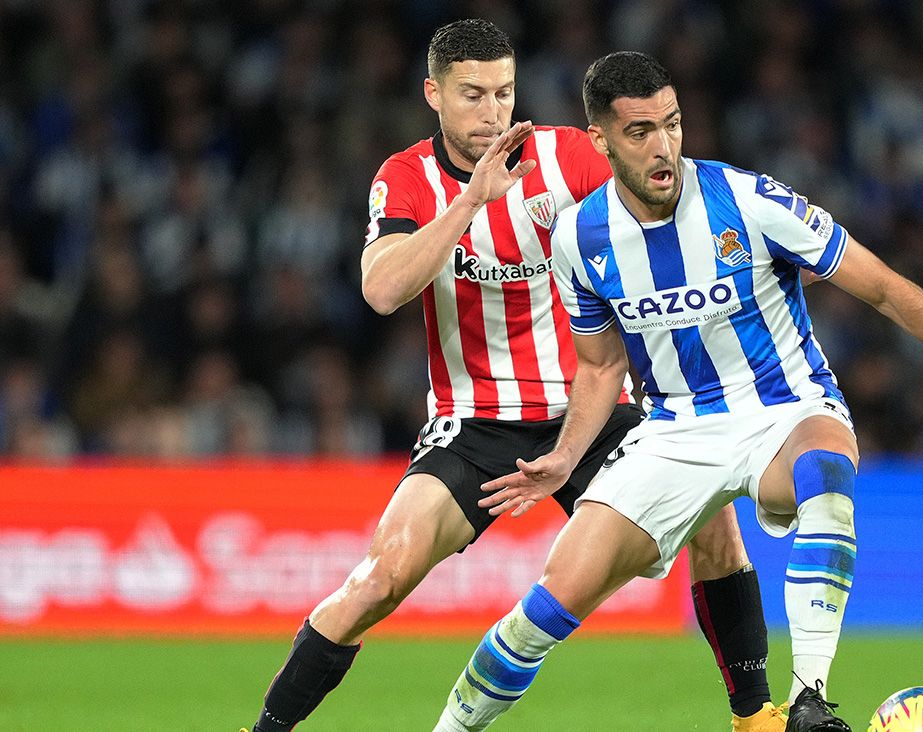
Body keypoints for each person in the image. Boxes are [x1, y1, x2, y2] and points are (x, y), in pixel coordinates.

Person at [431, 51, 923, 732]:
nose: (664, 145)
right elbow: (598, 366)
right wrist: (563, 455)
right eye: (640, 132)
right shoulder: (580, 238)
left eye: (672, 125)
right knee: (547, 607)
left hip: (784, 411)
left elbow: (883, 286)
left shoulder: (751, 201)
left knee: (827, 472)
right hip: (672, 432)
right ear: (601, 141)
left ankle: (810, 699)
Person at [244, 21, 785, 732]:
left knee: (719, 531)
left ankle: (756, 719)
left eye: (503, 93)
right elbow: (382, 289)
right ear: (433, 94)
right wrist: (471, 200)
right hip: (475, 422)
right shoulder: (405, 178)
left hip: (594, 411)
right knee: (381, 578)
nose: (491, 112)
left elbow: (668, 206)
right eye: (472, 95)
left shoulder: (567, 157)